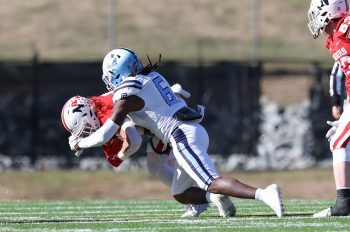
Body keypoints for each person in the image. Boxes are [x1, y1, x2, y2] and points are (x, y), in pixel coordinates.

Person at [69, 48, 284, 217]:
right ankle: (215, 199)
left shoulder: (126, 94)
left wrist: (80, 143)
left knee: (211, 182)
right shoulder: (150, 76)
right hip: (186, 130)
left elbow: (105, 135)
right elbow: (149, 119)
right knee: (181, 193)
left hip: (181, 136)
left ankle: (264, 193)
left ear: (118, 73)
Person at [61, 91, 211, 217]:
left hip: (166, 122)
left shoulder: (105, 114)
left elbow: (134, 140)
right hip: (162, 117)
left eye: (85, 127)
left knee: (179, 169)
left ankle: (202, 197)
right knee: (155, 165)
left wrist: (121, 156)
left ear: (88, 115)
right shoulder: (98, 104)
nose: (86, 132)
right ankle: (204, 195)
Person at [308, 0, 350, 217]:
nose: (314, 19)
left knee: (338, 142)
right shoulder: (333, 40)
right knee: (341, 141)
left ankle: (344, 204)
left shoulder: (347, 26)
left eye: (316, 13)